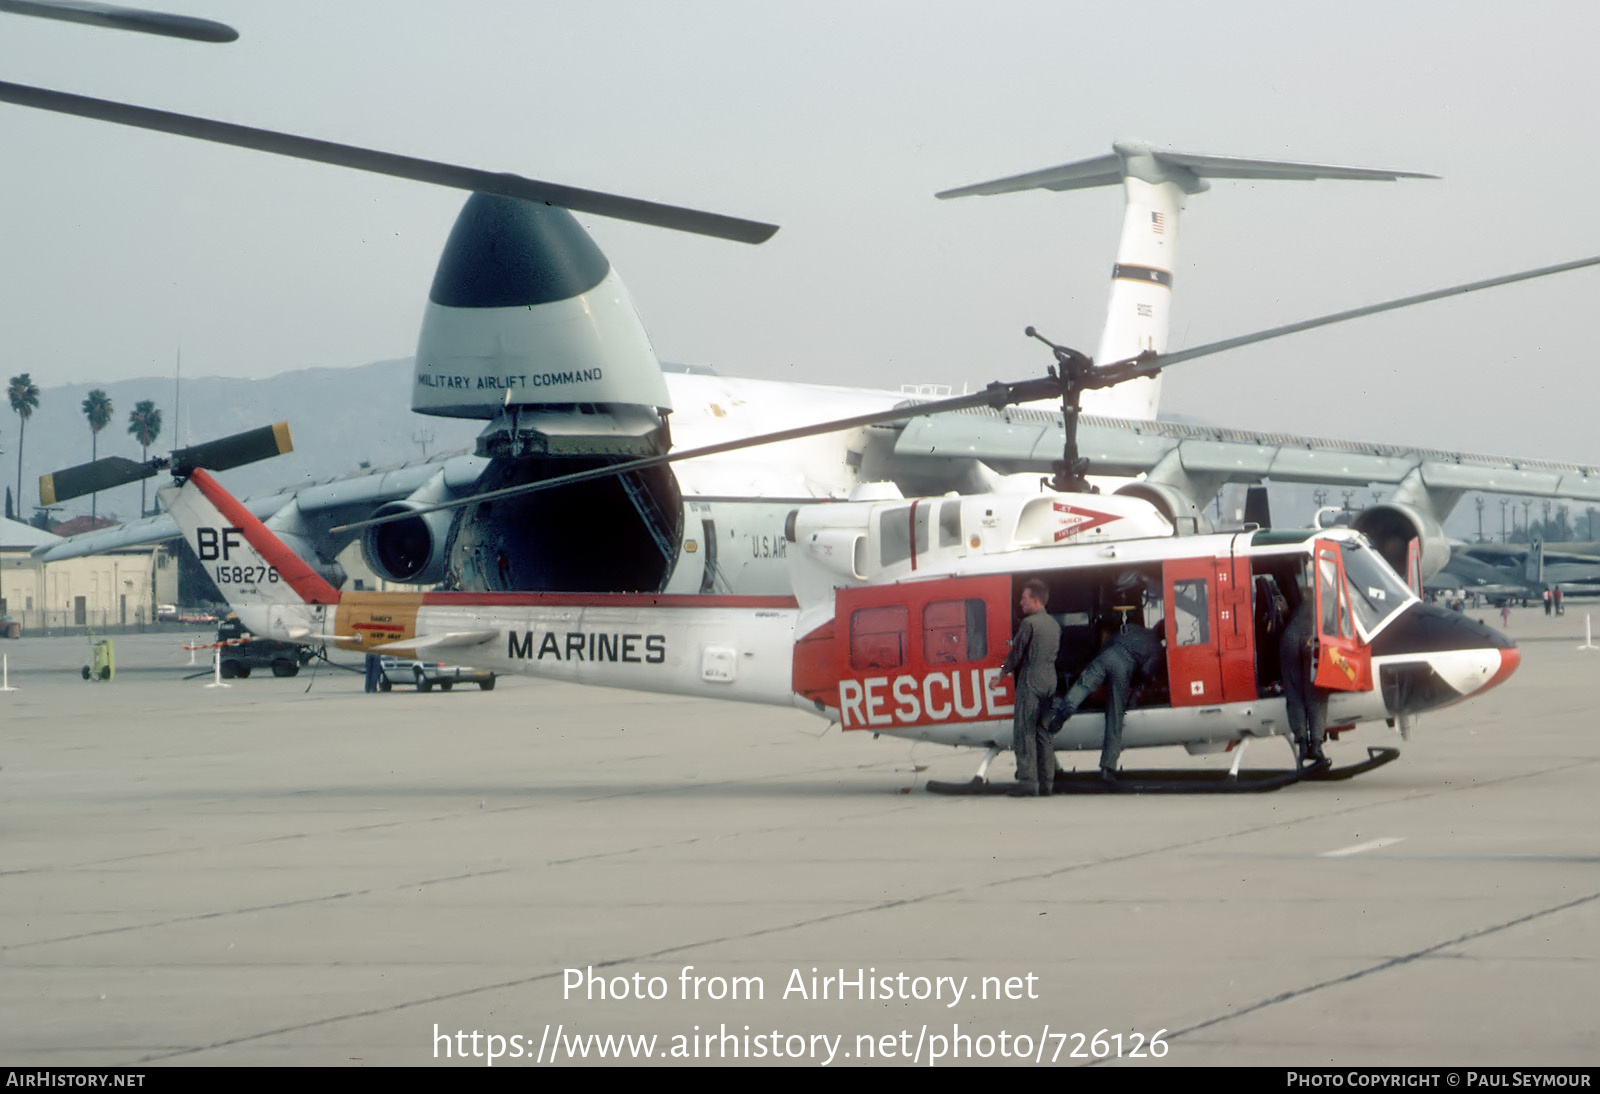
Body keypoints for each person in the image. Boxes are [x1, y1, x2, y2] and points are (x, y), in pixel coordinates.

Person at [1048, 616, 1164, 783]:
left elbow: (1111, 640)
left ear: (1156, 625)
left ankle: (1057, 720)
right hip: (1124, 667)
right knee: (1114, 717)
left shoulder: (1132, 627)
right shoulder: (1156, 648)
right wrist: (1136, 682)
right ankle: (1107, 768)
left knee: (1080, 688)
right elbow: (1146, 674)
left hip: (1106, 656)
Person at [998, 578, 1060, 797]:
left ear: (1035, 599)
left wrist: (1002, 673)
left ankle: (1027, 782)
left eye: (1023, 598)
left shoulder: (1029, 624)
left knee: (1024, 730)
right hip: (1050, 680)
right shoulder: (1054, 623)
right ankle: (1047, 783)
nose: (1020, 602)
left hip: (1032, 679)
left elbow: (1016, 653)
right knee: (1044, 732)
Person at [1278, 592, 1328, 766]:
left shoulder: (1299, 603)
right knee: (1317, 694)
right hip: (1310, 639)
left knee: (1294, 694)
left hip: (1289, 640)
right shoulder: (1327, 600)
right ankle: (1316, 745)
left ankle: (1302, 746)